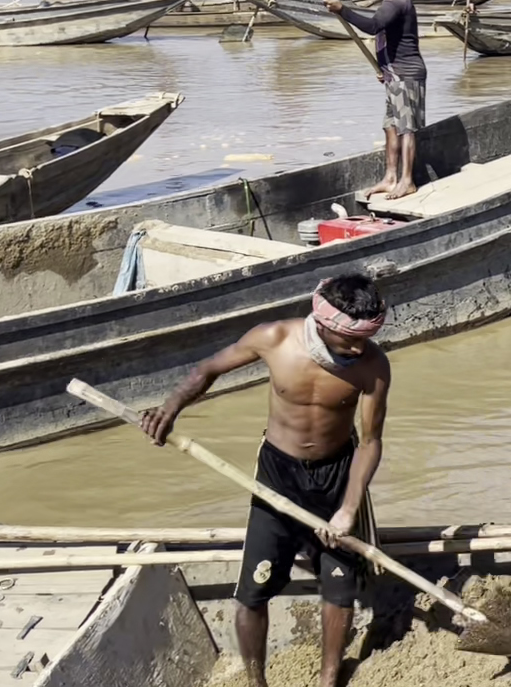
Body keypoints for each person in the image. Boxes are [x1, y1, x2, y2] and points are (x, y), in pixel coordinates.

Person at [138, 274, 391, 687]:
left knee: (340, 589)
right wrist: (170, 408)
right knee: (253, 591)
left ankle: (329, 680)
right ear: (324, 323)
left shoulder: (373, 366)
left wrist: (348, 508)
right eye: (352, 341)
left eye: (366, 339)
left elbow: (370, 442)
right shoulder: (273, 338)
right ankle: (257, 682)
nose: (360, 348)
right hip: (277, 476)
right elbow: (207, 370)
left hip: (337, 478)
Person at [324, 0, 427, 199]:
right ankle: (390, 178)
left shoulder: (397, 1)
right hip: (393, 74)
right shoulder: (389, 1)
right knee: (390, 126)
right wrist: (383, 67)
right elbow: (384, 35)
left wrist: (342, 10)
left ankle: (407, 181)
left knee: (406, 128)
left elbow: (373, 26)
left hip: (406, 74)